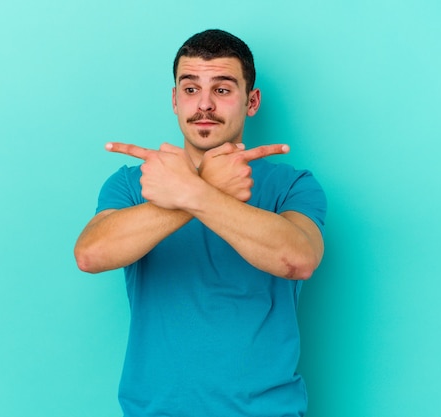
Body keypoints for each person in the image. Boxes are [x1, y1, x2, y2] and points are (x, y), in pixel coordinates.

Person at [74, 29, 327, 417]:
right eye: (190, 89)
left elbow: (299, 259)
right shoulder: (131, 183)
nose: (204, 105)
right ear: (175, 100)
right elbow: (91, 254)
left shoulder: (292, 185)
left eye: (222, 90)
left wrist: (194, 192)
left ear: (252, 100)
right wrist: (204, 188)